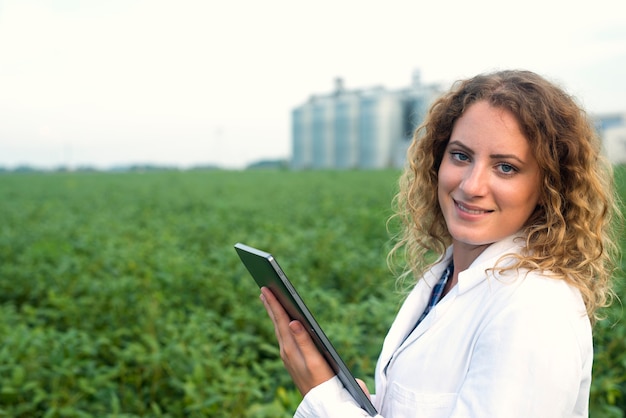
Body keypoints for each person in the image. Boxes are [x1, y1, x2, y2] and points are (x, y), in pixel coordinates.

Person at [260, 70, 621, 417]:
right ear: (437, 160)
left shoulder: (534, 308)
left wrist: (324, 401)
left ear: (548, 187)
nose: (471, 185)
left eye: (506, 167)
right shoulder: (446, 277)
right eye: (461, 156)